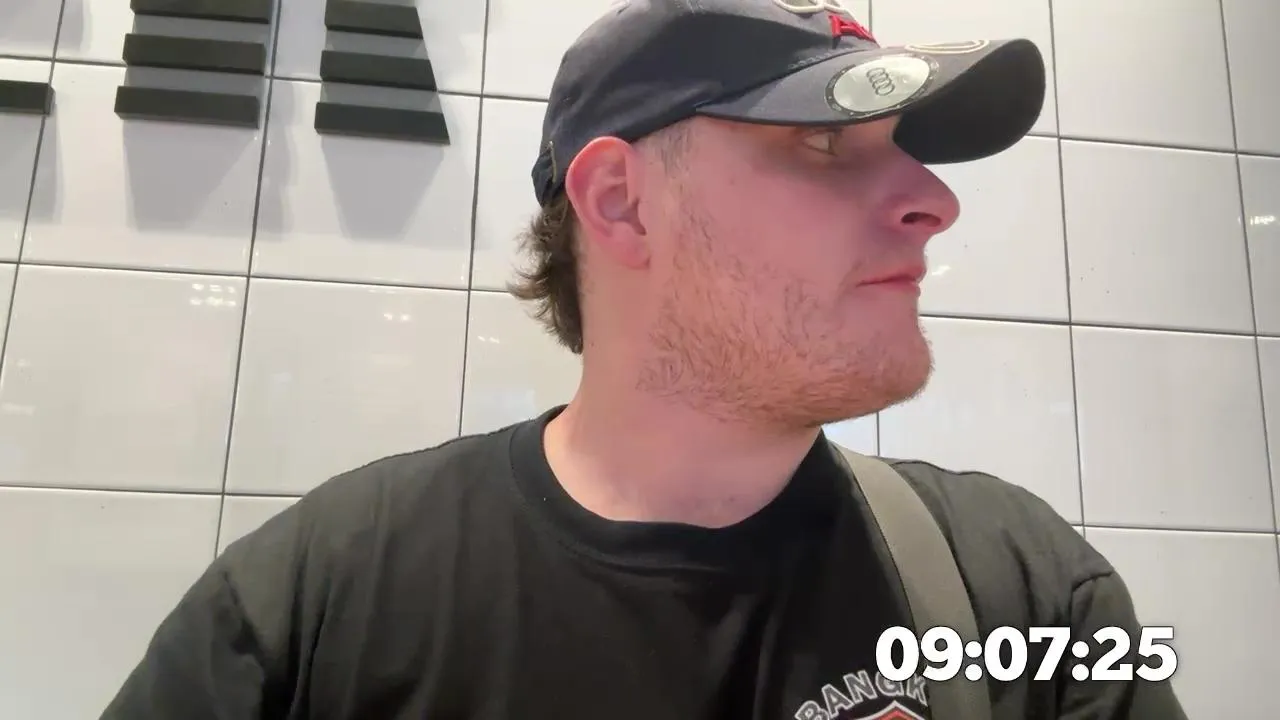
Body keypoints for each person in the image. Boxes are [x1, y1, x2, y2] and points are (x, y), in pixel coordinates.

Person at [100, 0, 1187, 718]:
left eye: (906, 151)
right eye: (825, 142)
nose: (933, 202)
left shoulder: (1027, 593)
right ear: (621, 203)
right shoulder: (316, 605)